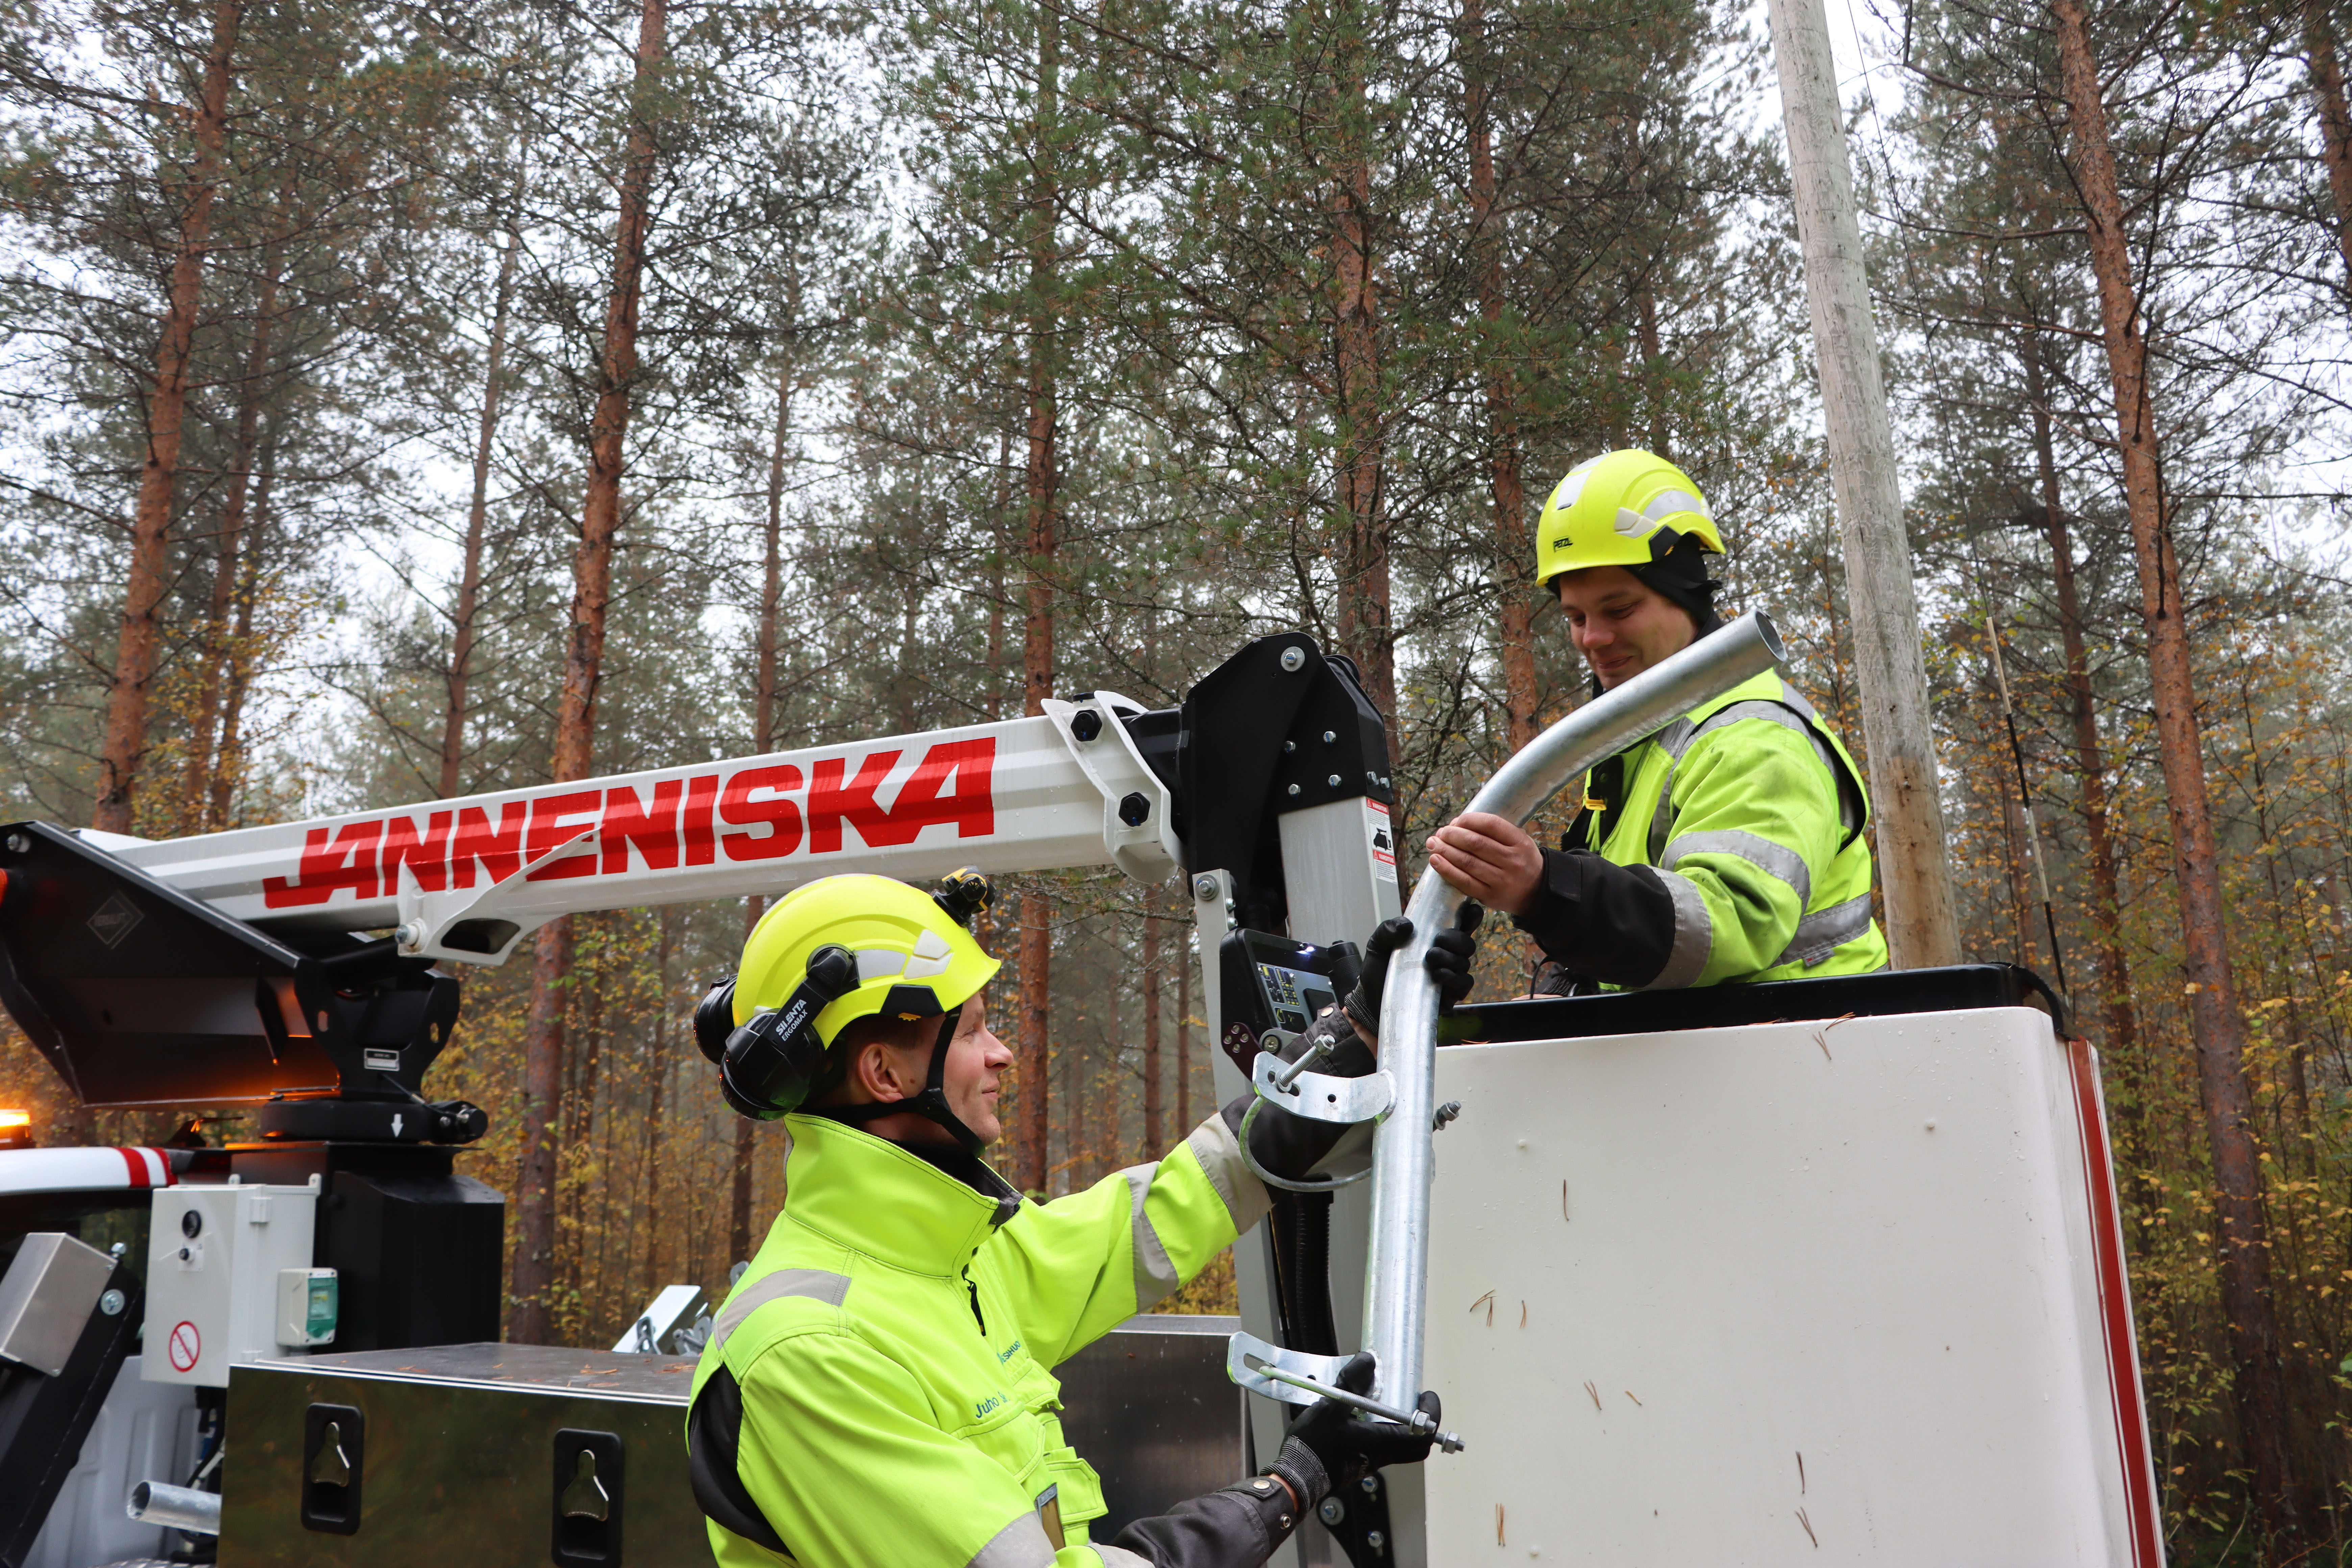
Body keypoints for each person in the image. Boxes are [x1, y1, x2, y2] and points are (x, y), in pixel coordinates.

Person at [684, 871, 1476, 1567]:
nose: (1001, 1052)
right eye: (972, 1030)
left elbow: (1167, 1211)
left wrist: (1353, 1036)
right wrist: (1292, 1482)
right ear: (885, 1073)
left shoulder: (961, 1260)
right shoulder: (806, 1351)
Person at [1428, 448, 1888, 992]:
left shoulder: (1755, 737)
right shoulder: (1644, 738)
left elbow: (1726, 927)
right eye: (1576, 616)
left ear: (1684, 596)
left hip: (1808, 1037)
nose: (1593, 638)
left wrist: (1546, 890)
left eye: (1620, 609)